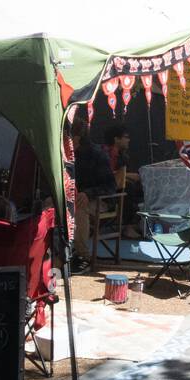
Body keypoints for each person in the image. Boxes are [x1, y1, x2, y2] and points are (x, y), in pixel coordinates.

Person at [69, 113, 117, 271]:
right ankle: (53, 252)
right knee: (49, 203)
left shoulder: (96, 154)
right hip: (76, 197)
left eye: (69, 137)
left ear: (78, 138)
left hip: (101, 199)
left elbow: (110, 186)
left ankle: (83, 256)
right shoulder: (69, 155)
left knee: (78, 207)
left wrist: (88, 193)